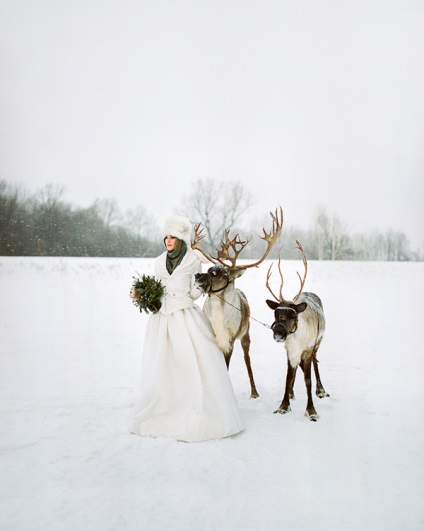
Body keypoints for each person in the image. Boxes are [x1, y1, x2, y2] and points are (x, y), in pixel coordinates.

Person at [131, 214, 244, 442]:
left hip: (185, 316)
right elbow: (158, 289)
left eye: (173, 237)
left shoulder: (193, 261)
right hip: (162, 319)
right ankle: (165, 405)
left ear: (181, 239)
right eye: (166, 237)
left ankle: (199, 407)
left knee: (191, 361)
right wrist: (145, 296)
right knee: (163, 362)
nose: (168, 241)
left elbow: (192, 293)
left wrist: (201, 287)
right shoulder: (158, 261)